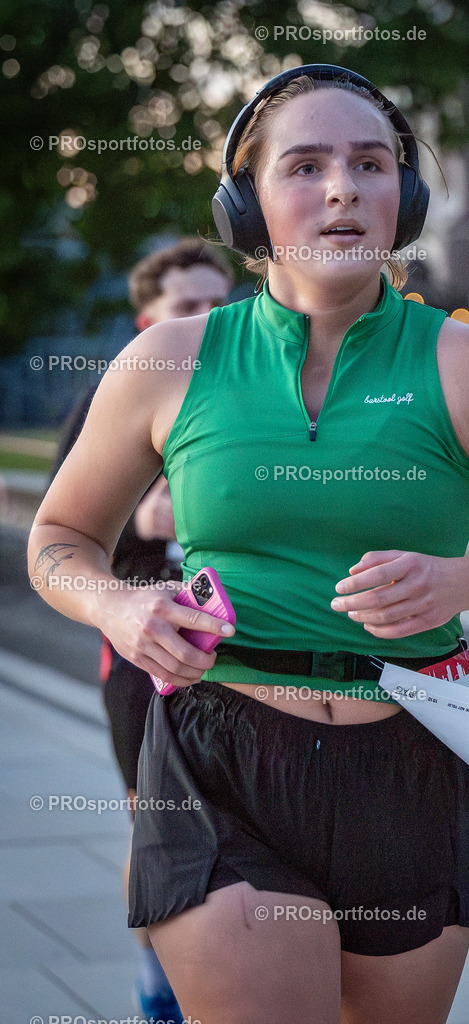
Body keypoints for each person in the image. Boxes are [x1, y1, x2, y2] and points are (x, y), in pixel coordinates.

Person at [28, 65, 469, 1024]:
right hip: (219, 757)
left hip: (411, 761)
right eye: (305, 164)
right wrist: (116, 600)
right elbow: (61, 539)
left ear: (402, 199)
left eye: (370, 164)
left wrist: (463, 578)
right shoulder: (168, 360)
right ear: (246, 204)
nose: (340, 189)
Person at [48, 237, 233, 1024]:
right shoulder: (112, 398)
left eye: (219, 303)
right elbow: (64, 537)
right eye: (188, 306)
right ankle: (158, 989)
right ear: (145, 318)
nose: (207, 319)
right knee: (153, 825)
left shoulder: (258, 387)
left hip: (249, 661)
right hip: (141, 659)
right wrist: (147, 525)